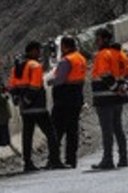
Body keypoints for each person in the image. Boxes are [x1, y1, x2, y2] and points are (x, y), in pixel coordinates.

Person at [9, 41, 63, 171]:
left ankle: (27, 163)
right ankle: (55, 160)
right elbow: (35, 86)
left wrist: (19, 101)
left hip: (25, 109)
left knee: (27, 136)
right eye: (38, 50)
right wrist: (28, 100)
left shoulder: (16, 68)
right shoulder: (35, 66)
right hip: (38, 107)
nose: (39, 53)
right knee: (51, 133)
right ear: (32, 51)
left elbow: (12, 87)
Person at [90, 28, 128, 170]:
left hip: (104, 99)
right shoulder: (120, 54)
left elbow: (105, 75)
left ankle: (108, 159)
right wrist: (123, 88)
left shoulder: (102, 55)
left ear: (104, 39)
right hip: (118, 99)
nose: (96, 42)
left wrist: (114, 88)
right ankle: (123, 158)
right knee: (118, 128)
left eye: (98, 39)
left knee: (107, 130)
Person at [47, 36, 86, 168]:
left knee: (56, 130)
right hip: (76, 98)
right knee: (72, 131)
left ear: (64, 46)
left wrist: (51, 81)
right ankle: (71, 159)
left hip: (63, 100)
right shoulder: (80, 58)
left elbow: (60, 79)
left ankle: (54, 160)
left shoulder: (66, 60)